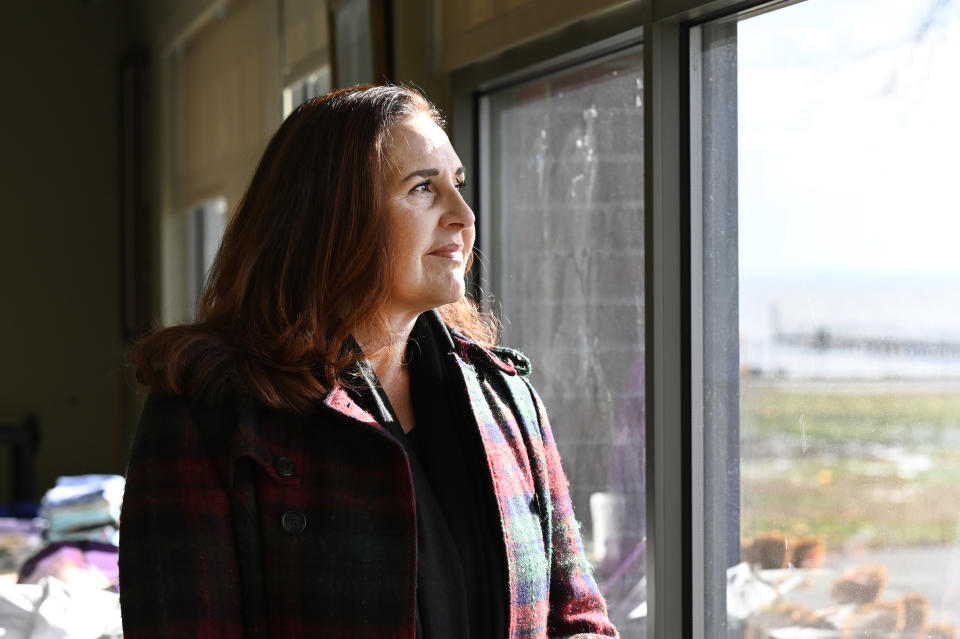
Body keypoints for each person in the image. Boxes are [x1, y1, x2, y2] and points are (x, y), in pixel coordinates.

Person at [118, 84, 618, 639]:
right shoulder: (206, 411)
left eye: (458, 185)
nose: (463, 215)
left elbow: (578, 618)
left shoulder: (505, 397)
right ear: (333, 218)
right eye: (422, 189)